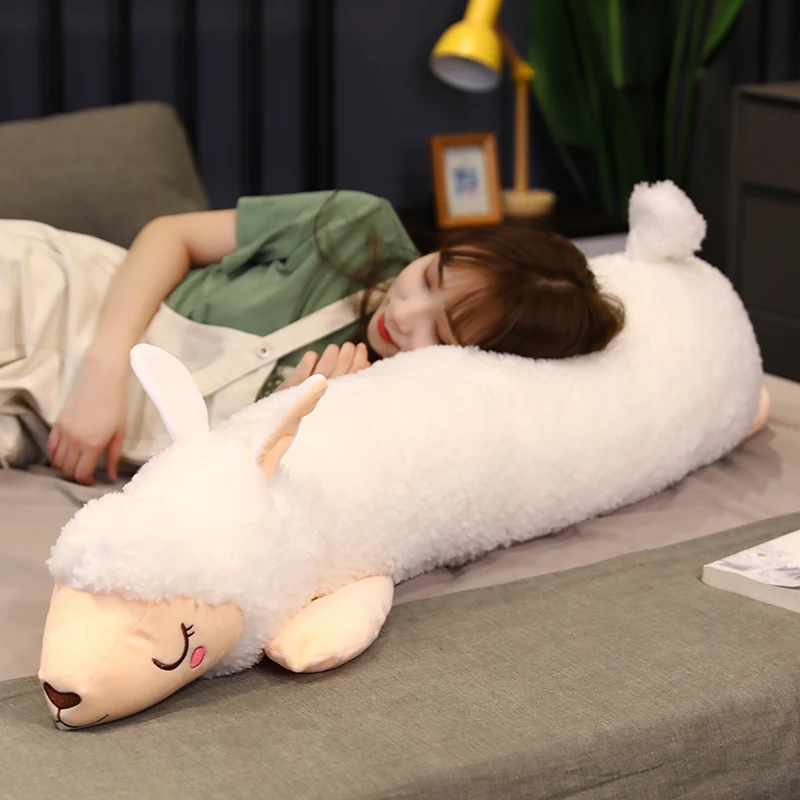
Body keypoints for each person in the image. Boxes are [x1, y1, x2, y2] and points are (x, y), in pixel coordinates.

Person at [1, 190, 625, 486]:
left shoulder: (399, 412)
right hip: (46, 293)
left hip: (31, 409)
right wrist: (105, 369)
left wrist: (278, 420)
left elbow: (233, 492)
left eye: (439, 330)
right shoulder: (357, 223)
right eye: (429, 276)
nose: (404, 312)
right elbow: (171, 233)